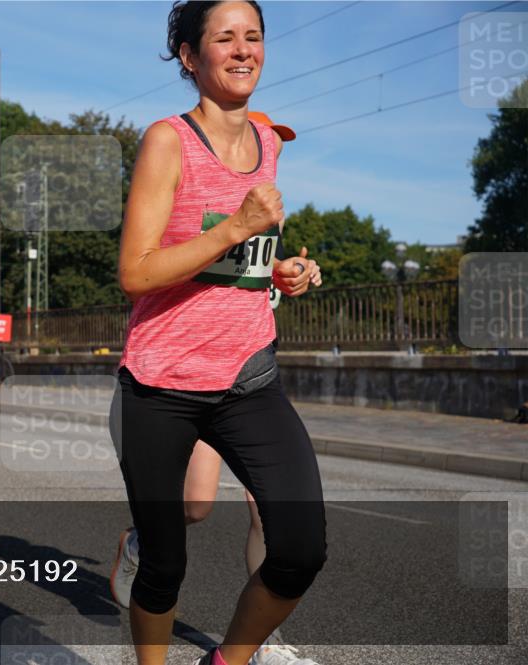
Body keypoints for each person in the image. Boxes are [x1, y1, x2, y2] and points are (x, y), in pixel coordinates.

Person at [112, 3, 327, 665]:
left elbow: (239, 263)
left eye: (254, 37)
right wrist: (235, 228)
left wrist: (281, 269)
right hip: (162, 383)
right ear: (189, 56)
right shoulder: (167, 140)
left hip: (247, 376)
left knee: (299, 547)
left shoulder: (271, 143)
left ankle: (228, 660)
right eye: (224, 38)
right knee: (166, 565)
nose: (242, 50)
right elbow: (136, 271)